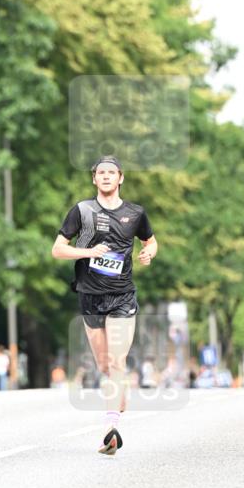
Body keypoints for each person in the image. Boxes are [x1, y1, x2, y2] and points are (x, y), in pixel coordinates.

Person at [51, 155, 157, 455]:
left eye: (112, 172)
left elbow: (151, 241)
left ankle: (111, 429)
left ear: (121, 177)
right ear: (94, 178)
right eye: (101, 173)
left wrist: (149, 253)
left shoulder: (135, 213)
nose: (107, 176)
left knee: (116, 362)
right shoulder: (82, 211)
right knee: (104, 366)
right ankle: (117, 405)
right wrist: (87, 253)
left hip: (122, 296)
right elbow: (58, 250)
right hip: (89, 296)